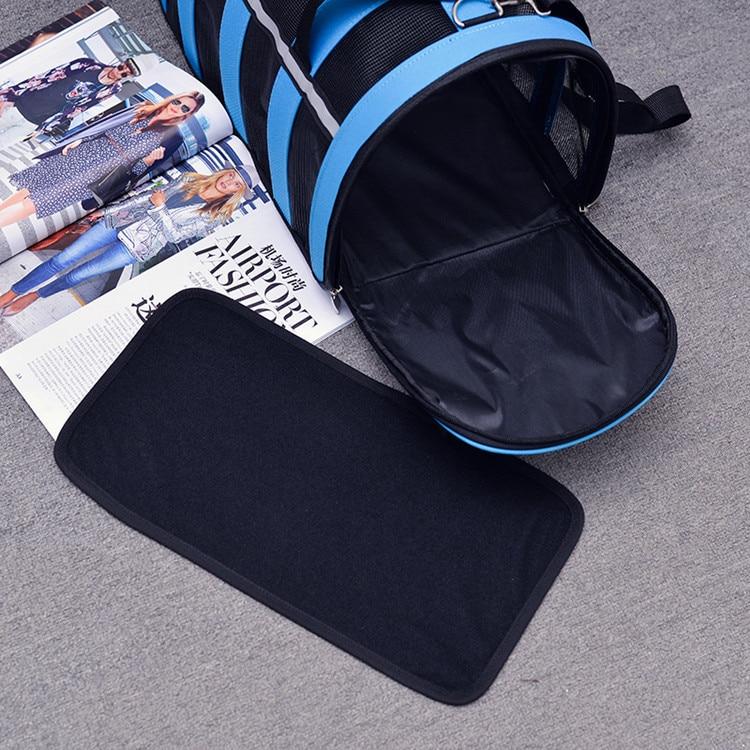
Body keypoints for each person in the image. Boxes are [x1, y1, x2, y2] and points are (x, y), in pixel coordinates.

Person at [0, 166, 253, 316]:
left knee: (79, 275)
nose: (229, 181)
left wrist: (160, 208)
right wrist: (107, 212)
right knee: (63, 259)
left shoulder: (216, 218)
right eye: (231, 175)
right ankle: (13, 292)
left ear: (237, 193)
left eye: (236, 184)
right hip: (120, 220)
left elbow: (175, 235)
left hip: (138, 246)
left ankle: (36, 295)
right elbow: (147, 196)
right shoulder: (190, 179)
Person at [0, 92, 205, 229]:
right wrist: (80, 139)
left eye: (185, 108)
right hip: (83, 152)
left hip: (99, 172)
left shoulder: (174, 137)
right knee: (29, 188)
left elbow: (136, 173)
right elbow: (104, 126)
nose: (178, 107)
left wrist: (149, 162)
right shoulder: (142, 108)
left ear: (188, 115)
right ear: (172, 100)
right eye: (178, 102)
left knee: (38, 202)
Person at [0, 57, 141, 145]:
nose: (118, 72)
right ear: (120, 63)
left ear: (127, 77)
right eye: (121, 67)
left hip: (33, 123)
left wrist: (43, 128)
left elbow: (77, 109)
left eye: (124, 74)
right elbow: (45, 77)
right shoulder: (87, 64)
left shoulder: (113, 89)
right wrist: (7, 96)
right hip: (20, 106)